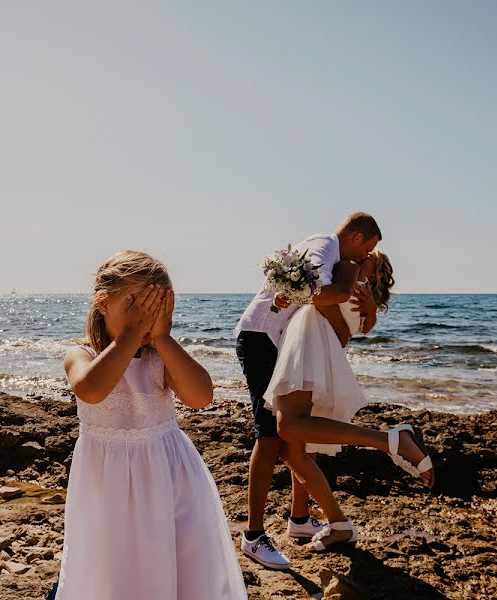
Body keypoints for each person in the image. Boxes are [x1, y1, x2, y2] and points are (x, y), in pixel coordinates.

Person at [55, 250, 247, 599]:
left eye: (156, 308)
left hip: (170, 477)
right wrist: (130, 333)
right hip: (108, 486)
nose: (146, 318)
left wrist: (163, 336)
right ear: (103, 303)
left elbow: (201, 397)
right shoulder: (81, 355)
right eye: (137, 306)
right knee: (113, 568)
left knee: (180, 564)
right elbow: (91, 390)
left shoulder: (160, 356)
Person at [233, 212, 381, 569]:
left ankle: (299, 520)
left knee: (299, 435)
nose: (365, 258)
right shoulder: (326, 245)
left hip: (277, 342)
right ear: (357, 237)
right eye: (369, 248)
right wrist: (333, 293)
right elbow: (313, 290)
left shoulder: (330, 253)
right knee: (269, 437)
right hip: (261, 338)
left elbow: (311, 296)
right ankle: (253, 536)